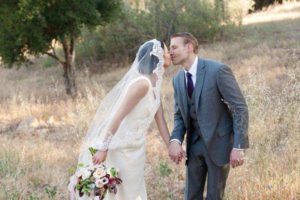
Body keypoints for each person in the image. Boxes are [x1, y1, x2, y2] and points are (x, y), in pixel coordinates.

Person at [68, 39, 171, 200]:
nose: (169, 54)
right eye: (165, 52)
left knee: (132, 191)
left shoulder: (155, 85)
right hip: (120, 149)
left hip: (137, 150)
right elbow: (117, 116)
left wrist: (171, 146)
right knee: (121, 194)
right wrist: (103, 147)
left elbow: (161, 121)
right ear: (157, 56)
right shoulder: (141, 84)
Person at [168, 32, 249, 200]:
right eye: (170, 48)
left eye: (174, 47)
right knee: (191, 196)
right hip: (194, 146)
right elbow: (179, 116)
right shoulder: (177, 80)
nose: (170, 52)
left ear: (189, 47)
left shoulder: (218, 70)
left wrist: (239, 146)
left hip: (219, 145)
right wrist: (175, 140)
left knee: (214, 197)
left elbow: (239, 108)